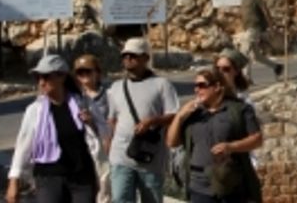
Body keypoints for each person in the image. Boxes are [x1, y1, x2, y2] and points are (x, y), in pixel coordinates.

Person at [6, 53, 105, 203]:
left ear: (62, 77)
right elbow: (23, 146)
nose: (41, 82)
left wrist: (91, 123)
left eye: (46, 77)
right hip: (48, 178)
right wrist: (13, 182)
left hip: (81, 178)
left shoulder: (83, 104)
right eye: (38, 78)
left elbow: (105, 132)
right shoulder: (35, 110)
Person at [165, 68, 263, 203]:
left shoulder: (239, 110)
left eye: (202, 85)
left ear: (217, 87)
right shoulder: (193, 113)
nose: (196, 90)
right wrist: (180, 116)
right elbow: (171, 142)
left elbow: (257, 139)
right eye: (195, 86)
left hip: (231, 184)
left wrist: (231, 147)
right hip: (199, 186)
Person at [106, 38, 179, 203]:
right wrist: (109, 146)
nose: (128, 59)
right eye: (125, 56)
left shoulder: (162, 85)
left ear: (145, 58)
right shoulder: (116, 87)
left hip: (150, 158)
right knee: (120, 199)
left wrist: (151, 121)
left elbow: (174, 115)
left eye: (133, 55)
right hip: (121, 156)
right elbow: (112, 120)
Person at [73, 53, 112, 203]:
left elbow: (111, 124)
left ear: (97, 72)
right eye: (79, 72)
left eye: (87, 71)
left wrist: (92, 123)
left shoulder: (108, 96)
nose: (84, 75)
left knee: (103, 193)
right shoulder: (73, 97)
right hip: (79, 151)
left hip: (102, 151)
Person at [236, 0, 284, 83]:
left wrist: (271, 26)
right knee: (256, 56)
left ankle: (246, 77)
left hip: (255, 28)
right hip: (248, 28)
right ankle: (276, 67)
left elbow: (265, 11)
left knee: (244, 51)